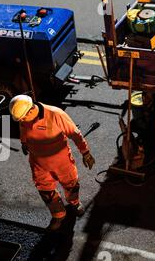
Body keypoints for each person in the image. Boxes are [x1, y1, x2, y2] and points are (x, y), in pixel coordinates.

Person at [9, 95, 95, 230]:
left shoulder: (56, 114)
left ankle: (74, 202)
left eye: (22, 118)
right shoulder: (23, 117)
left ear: (31, 110)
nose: (22, 121)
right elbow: (23, 130)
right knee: (45, 191)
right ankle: (58, 214)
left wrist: (86, 152)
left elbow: (75, 133)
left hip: (61, 162)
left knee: (71, 184)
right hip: (38, 163)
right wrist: (24, 142)